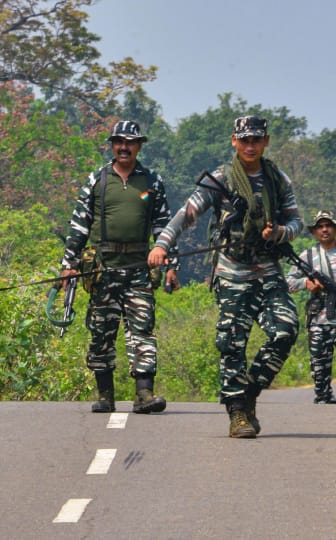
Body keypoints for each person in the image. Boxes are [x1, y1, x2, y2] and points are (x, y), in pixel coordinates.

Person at [148, 115, 303, 438]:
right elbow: (185, 215)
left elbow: (297, 222)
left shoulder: (277, 179)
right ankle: (237, 415)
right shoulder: (221, 179)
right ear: (234, 141)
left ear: (266, 142)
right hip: (232, 272)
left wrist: (280, 233)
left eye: (256, 140)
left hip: (268, 269)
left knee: (285, 330)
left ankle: (247, 394)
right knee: (233, 344)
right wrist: (163, 245)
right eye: (244, 140)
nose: (250, 145)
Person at [60, 120, 180, 415]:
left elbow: (164, 226)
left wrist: (169, 263)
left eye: (130, 142)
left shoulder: (152, 182)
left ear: (139, 146)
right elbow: (78, 226)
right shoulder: (97, 180)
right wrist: (68, 265)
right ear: (112, 145)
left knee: (142, 330)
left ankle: (144, 395)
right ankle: (105, 395)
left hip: (140, 268)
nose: (124, 147)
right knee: (101, 331)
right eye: (119, 142)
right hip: (104, 269)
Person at [286, 210, 336, 404]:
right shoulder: (307, 256)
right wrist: (305, 284)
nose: (325, 230)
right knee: (319, 363)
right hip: (319, 318)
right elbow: (288, 282)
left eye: (328, 225)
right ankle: (323, 396)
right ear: (315, 232)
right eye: (320, 227)